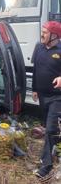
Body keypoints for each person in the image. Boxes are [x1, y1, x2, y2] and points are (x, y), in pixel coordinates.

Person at [32, 21, 61, 179]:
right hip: (43, 96)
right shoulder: (39, 47)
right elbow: (36, 68)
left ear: (55, 35)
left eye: (45, 32)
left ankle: (46, 167)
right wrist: (34, 89)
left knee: (50, 130)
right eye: (42, 31)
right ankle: (55, 149)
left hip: (58, 97)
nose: (42, 34)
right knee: (52, 128)